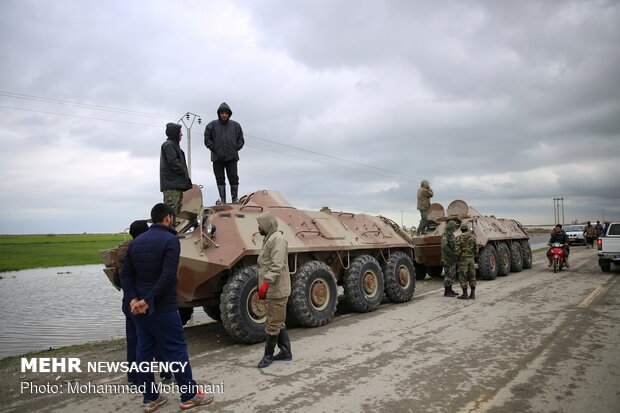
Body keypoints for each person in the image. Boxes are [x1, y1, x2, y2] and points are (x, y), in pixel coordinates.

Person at [121, 203, 213, 412]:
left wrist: (134, 300)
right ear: (168, 218)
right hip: (163, 307)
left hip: (139, 311)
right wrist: (148, 300)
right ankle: (189, 396)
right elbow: (168, 275)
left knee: (143, 351)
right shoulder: (170, 240)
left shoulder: (136, 242)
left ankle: (150, 399)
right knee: (176, 349)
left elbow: (127, 275)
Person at [117, 220, 173, 386]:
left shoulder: (123, 250)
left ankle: (133, 378)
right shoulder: (148, 248)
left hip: (129, 302)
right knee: (156, 339)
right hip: (146, 301)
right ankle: (166, 374)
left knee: (133, 340)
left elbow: (119, 278)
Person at [256, 212, 292, 368]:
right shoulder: (269, 239)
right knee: (278, 321)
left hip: (277, 289)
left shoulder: (277, 239)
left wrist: (266, 283)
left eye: (260, 224)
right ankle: (285, 352)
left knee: (273, 323)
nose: (258, 227)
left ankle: (268, 356)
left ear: (268, 225)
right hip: (273, 289)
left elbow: (276, 265)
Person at [204, 102, 244, 204]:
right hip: (217, 158)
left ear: (229, 114)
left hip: (232, 158)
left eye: (226, 113)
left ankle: (234, 199)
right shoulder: (211, 125)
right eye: (222, 113)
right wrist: (214, 148)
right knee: (220, 179)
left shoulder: (236, 125)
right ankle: (223, 200)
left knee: (234, 178)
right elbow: (207, 139)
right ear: (219, 114)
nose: (224, 115)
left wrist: (235, 148)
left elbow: (241, 139)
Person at [160, 122, 192, 218]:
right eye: (180, 132)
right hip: (172, 186)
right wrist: (183, 174)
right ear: (174, 133)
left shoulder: (174, 146)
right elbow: (174, 163)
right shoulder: (169, 145)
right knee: (170, 214)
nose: (181, 134)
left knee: (174, 214)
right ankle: (168, 232)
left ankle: (172, 231)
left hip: (176, 185)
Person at [456, 221, 477, 300]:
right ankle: (472, 294)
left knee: (463, 276)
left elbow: (456, 249)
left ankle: (465, 294)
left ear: (461, 229)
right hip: (471, 259)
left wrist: (456, 257)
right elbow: (476, 249)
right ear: (467, 229)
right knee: (472, 276)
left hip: (463, 259)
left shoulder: (459, 237)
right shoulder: (472, 237)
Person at [441, 220, 459, 297]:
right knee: (448, 274)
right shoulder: (445, 235)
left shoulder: (451, 235)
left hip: (452, 258)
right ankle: (447, 291)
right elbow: (444, 246)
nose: (455, 228)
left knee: (452, 274)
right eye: (454, 226)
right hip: (448, 258)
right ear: (451, 226)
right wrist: (452, 254)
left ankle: (450, 290)